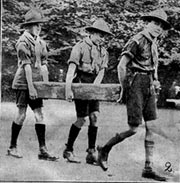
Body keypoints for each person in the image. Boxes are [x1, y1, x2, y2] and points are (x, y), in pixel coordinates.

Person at [97, 9, 171, 181]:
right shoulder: (137, 40)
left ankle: (148, 168)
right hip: (135, 82)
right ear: (147, 22)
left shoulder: (154, 43)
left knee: (151, 127)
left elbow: (153, 66)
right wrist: (125, 88)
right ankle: (105, 149)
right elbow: (122, 66)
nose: (158, 27)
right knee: (133, 128)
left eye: (161, 25)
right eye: (155, 23)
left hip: (149, 85)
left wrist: (156, 80)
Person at [7, 8, 58, 161]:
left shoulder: (41, 42)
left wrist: (46, 85)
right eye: (36, 25)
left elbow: (43, 65)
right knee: (21, 115)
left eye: (40, 25)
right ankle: (12, 147)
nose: (39, 28)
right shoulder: (22, 43)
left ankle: (43, 150)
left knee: (39, 115)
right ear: (28, 26)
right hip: (23, 83)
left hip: (36, 84)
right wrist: (31, 88)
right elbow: (26, 66)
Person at [63, 18, 113, 164]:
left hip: (94, 86)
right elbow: (72, 69)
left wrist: (95, 88)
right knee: (82, 119)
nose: (101, 38)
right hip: (80, 84)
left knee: (95, 116)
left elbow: (102, 71)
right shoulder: (79, 47)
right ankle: (68, 150)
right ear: (91, 33)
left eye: (103, 35)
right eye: (99, 34)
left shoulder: (103, 51)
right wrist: (68, 89)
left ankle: (91, 152)